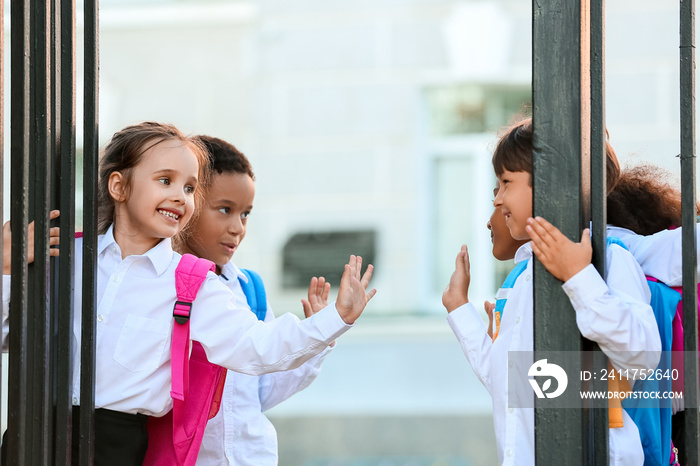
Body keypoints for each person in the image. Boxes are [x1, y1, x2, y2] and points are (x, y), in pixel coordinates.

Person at [1, 121, 376, 466]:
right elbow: (8, 336)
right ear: (118, 186)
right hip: (32, 434)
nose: (180, 196)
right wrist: (6, 269)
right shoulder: (64, 257)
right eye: (165, 180)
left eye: (190, 187)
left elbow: (256, 345)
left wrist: (336, 318)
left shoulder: (193, 283)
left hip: (117, 447)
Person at [442, 118, 661, 465]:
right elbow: (508, 382)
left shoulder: (609, 259)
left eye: (505, 183)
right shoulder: (523, 276)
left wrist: (578, 276)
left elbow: (641, 354)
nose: (497, 200)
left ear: (549, 182)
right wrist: (458, 308)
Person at [180, 135, 334, 465]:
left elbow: (263, 390)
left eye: (246, 214)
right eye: (224, 210)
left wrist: (317, 335)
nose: (238, 228)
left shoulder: (249, 289)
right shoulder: (163, 284)